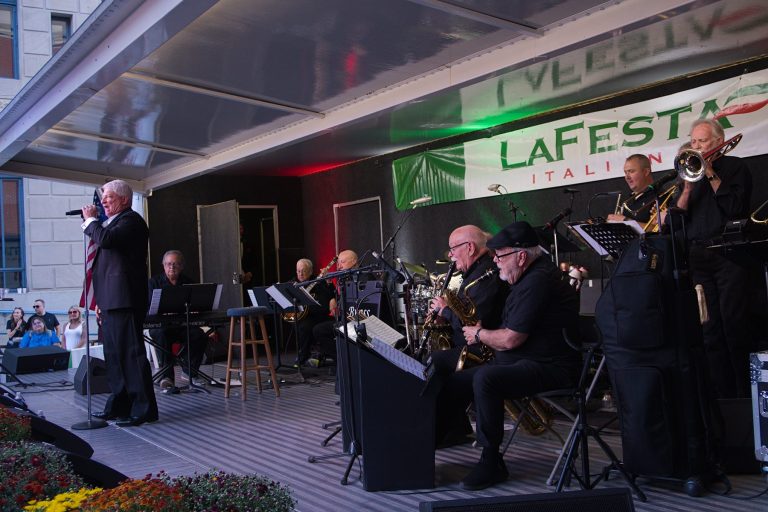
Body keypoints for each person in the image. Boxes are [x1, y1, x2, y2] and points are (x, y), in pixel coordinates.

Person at [436, 221, 580, 490]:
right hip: (523, 360)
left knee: (486, 379)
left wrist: (480, 334)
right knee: (454, 380)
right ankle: (431, 440)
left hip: (552, 366)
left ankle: (491, 462)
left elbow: (512, 338)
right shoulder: (525, 278)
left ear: (521, 256)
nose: (496, 262)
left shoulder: (537, 282)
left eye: (500, 256)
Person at [674, 118, 753, 399]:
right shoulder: (688, 173)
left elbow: (735, 207)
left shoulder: (735, 167)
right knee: (708, 330)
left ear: (719, 142)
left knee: (734, 326)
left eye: (702, 141)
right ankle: (721, 397)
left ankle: (744, 396)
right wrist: (686, 189)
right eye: (693, 141)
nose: (696, 146)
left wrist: (709, 172)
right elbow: (675, 219)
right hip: (698, 258)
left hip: (728, 255)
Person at [81, 179, 158, 427]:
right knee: (113, 356)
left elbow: (106, 240)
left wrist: (90, 221)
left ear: (124, 199)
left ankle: (144, 408)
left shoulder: (131, 221)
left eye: (109, 197)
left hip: (125, 299)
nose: (103, 202)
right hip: (111, 299)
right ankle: (120, 404)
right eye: (103, 197)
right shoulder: (111, 223)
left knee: (130, 354)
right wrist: (100, 301)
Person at [148, 250, 211, 389]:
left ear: (182, 266)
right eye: (168, 264)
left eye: (176, 264)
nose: (172, 267)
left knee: (199, 335)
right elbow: (148, 309)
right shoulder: (153, 283)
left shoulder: (188, 283)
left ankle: (189, 372)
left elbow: (197, 306)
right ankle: (166, 377)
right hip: (161, 326)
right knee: (161, 334)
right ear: (163, 265)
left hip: (182, 326)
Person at [313, 249, 360, 361]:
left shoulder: (363, 277)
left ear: (354, 262)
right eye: (338, 263)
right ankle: (341, 358)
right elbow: (338, 297)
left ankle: (348, 359)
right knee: (318, 330)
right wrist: (331, 291)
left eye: (342, 262)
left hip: (357, 320)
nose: (339, 267)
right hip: (343, 319)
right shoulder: (344, 277)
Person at [292, 258, 336, 366]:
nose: (300, 274)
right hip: (303, 316)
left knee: (304, 326)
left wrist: (329, 283)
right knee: (299, 324)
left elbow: (332, 295)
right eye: (298, 271)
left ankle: (304, 355)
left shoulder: (319, 282)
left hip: (319, 315)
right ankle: (304, 352)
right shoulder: (293, 283)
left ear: (310, 271)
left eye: (304, 271)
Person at [606, 154, 656, 223]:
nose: (627, 177)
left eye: (631, 171)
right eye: (625, 172)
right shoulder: (627, 201)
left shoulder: (660, 196)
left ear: (646, 172)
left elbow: (656, 228)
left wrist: (625, 220)